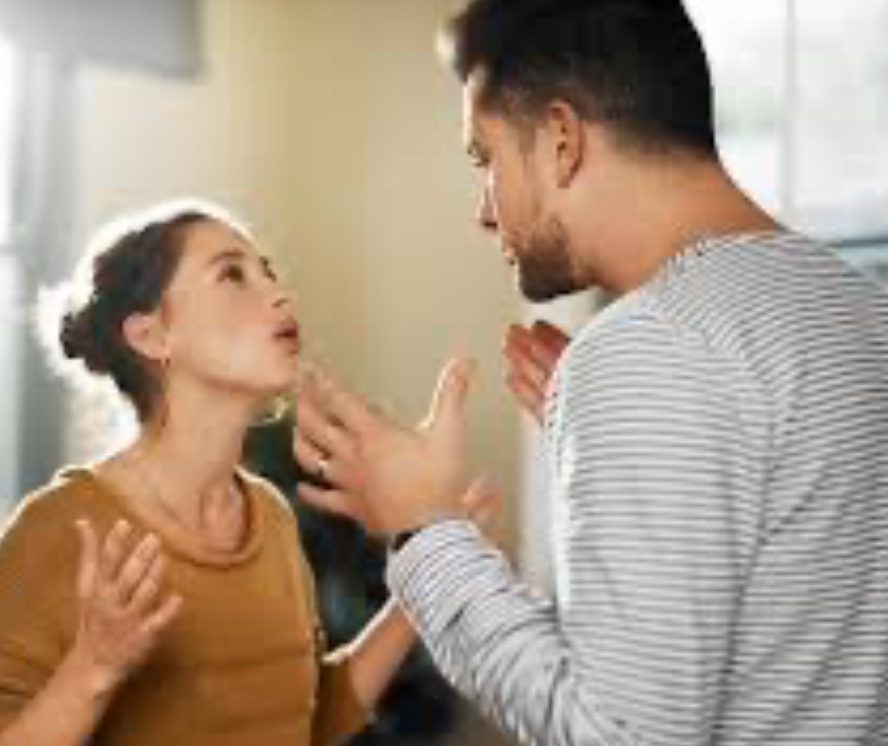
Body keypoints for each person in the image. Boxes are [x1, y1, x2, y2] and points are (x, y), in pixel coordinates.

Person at [291, 1, 888, 745]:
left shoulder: (652, 349)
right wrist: (650, 444)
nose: (484, 212)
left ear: (562, 140)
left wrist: (423, 527)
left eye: (484, 159)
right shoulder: (862, 309)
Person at [0, 200, 436, 746]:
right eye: (232, 275)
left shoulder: (270, 516)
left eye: (268, 272)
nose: (280, 294)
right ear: (151, 336)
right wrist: (94, 667)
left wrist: (420, 584)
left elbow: (305, 719)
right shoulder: (58, 529)